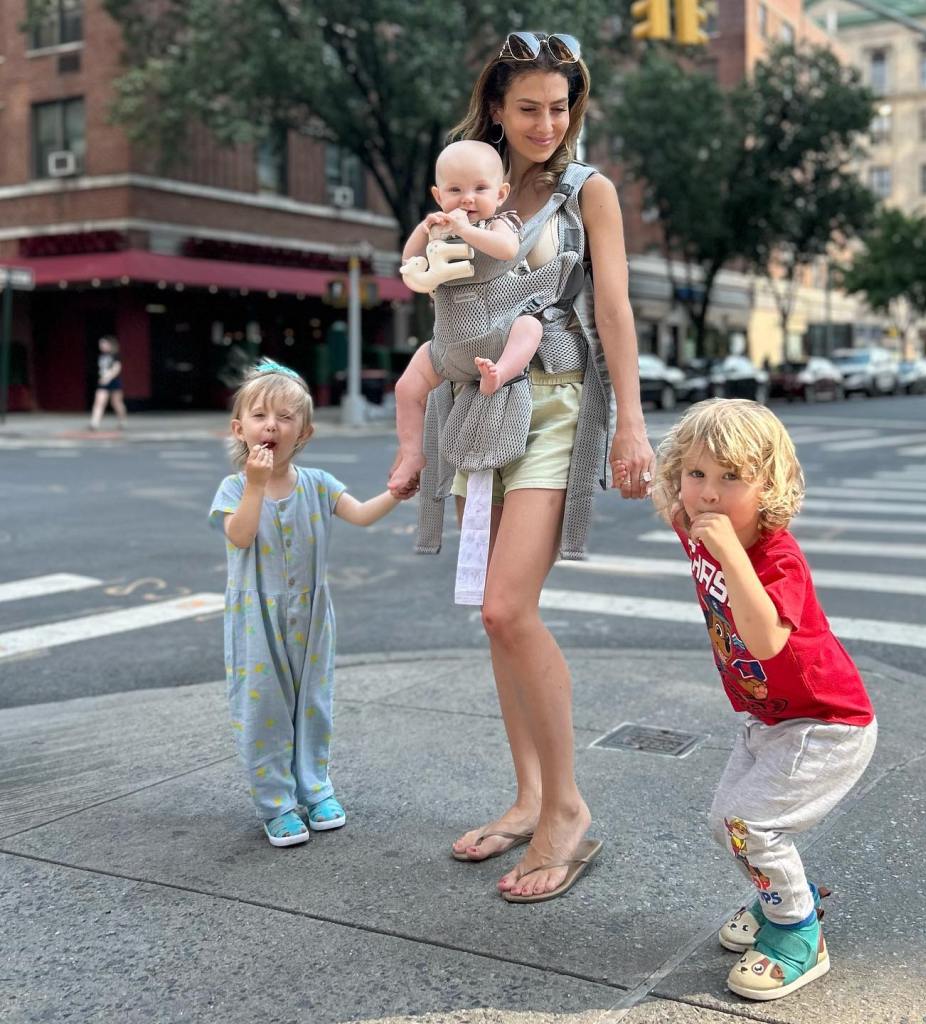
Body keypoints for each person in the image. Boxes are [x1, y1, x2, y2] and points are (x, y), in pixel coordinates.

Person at [389, 30, 654, 902]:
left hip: (555, 409)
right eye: (531, 106)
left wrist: (633, 427)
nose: (550, 122)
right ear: (497, 107)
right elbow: (443, 294)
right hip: (478, 410)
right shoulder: (475, 185)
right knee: (495, 619)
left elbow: (612, 309)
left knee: (509, 606)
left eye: (562, 105)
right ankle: (530, 796)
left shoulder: (590, 192)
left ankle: (569, 810)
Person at [648, 399, 877, 1001]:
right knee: (729, 822)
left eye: (731, 478)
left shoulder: (777, 558)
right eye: (696, 475)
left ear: (767, 486)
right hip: (767, 718)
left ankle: (798, 931)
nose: (709, 495)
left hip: (825, 723)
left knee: (751, 825)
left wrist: (729, 555)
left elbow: (767, 638)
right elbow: (658, 479)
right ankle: (781, 890)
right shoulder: (691, 518)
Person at [209, 360, 405, 847]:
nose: (271, 425)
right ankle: (275, 803)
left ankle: (315, 789)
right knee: (264, 711)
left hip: (312, 616)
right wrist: (255, 486)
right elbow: (240, 535)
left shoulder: (318, 483)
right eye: (259, 415)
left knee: (313, 705)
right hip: (256, 616)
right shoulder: (235, 488)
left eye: (285, 417)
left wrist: (398, 492)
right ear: (240, 428)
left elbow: (359, 515)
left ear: (305, 433)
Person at [395, 140, 543, 423]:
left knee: (531, 326)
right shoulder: (439, 231)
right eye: (455, 190)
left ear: (500, 194)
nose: (467, 198)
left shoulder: (500, 223)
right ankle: (411, 452)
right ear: (438, 196)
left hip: (499, 332)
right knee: (406, 389)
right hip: (448, 347)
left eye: (480, 188)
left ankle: (501, 374)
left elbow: (506, 249)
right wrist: (422, 229)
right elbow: (409, 261)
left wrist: (465, 230)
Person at [89, 336, 128, 430]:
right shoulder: (101, 356)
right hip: (102, 381)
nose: (101, 345)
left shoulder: (115, 355)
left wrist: (108, 377)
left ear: (110, 344)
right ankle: (94, 423)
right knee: (99, 402)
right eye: (100, 343)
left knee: (116, 403)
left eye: (103, 343)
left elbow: (117, 368)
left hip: (113, 381)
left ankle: (122, 420)